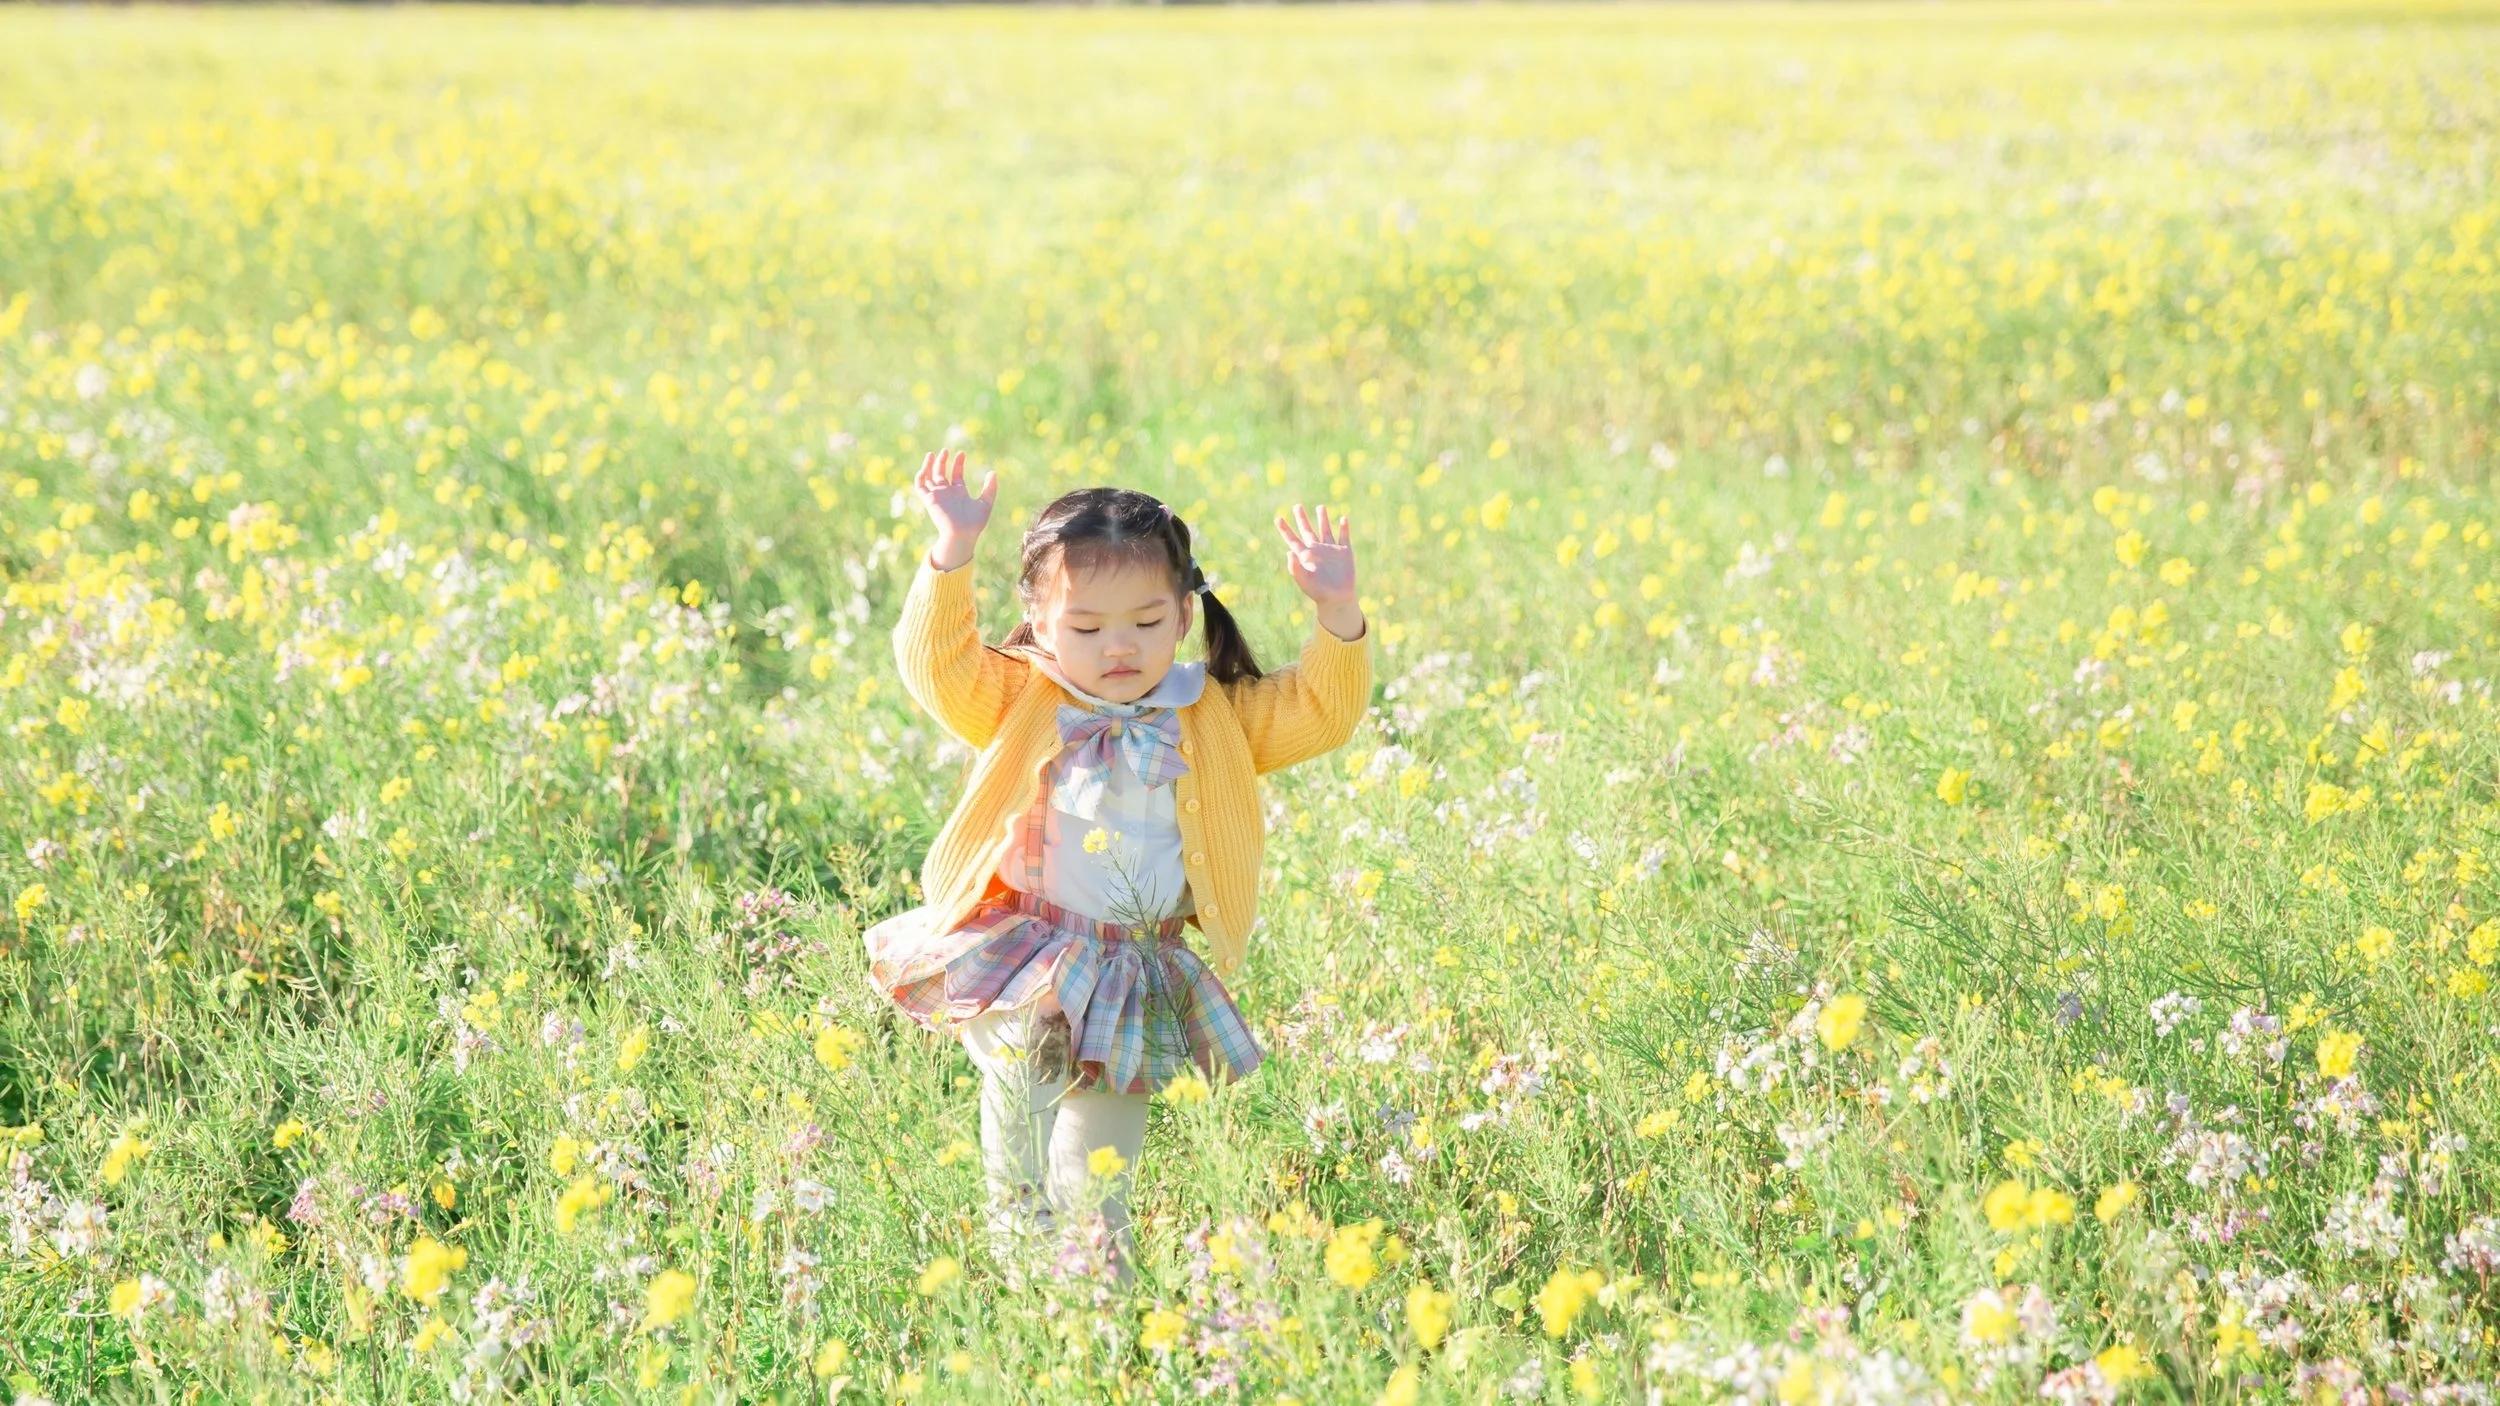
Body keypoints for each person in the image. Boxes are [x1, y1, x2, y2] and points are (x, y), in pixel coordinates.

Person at [864, 449, 1372, 1286]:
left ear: (1184, 614)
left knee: (1098, 1183)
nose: (1119, 647)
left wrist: (1338, 612)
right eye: (1088, 628)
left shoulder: (1211, 710)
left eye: (1144, 621)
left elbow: (1322, 713)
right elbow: (935, 665)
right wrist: (951, 552)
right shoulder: (1020, 694)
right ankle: (1023, 1277)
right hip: (1027, 952)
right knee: (1024, 1110)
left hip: (1133, 970)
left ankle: (1096, 1316)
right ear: (1038, 619)